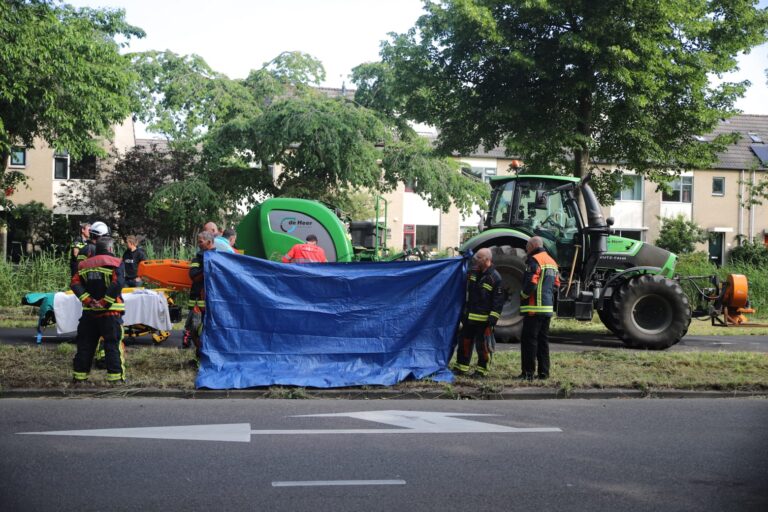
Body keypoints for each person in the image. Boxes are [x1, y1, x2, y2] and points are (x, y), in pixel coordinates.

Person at [70, 236, 126, 385]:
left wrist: (89, 300)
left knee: (85, 345)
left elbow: (75, 284)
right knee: (112, 345)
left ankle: (79, 379)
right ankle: (115, 380)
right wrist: (104, 302)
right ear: (110, 249)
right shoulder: (116, 262)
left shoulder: (84, 265)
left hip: (89, 313)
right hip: (110, 313)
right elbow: (118, 283)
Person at [452, 248, 504, 377]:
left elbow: (498, 302)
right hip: (470, 317)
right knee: (464, 342)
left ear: (487, 259)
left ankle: (481, 371)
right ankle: (461, 368)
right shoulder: (473, 271)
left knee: (483, 347)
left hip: (484, 320)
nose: (476, 260)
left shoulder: (495, 278)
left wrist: (492, 319)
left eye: (479, 258)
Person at [519, 236, 560, 380]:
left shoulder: (534, 260)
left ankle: (528, 373)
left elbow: (531, 283)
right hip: (546, 309)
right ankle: (544, 373)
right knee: (543, 341)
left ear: (532, 246)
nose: (525, 248)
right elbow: (556, 285)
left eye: (527, 245)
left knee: (529, 341)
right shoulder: (552, 262)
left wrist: (522, 295)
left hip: (533, 309)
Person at [186, 230, 216, 366]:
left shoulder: (219, 258)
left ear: (209, 242)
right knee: (194, 329)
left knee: (208, 330)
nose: (198, 244)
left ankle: (206, 358)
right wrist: (208, 269)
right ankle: (200, 357)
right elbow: (193, 276)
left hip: (212, 302)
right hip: (197, 301)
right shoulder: (198, 258)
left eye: (200, 241)